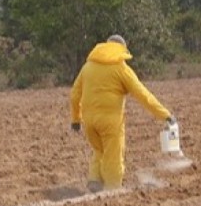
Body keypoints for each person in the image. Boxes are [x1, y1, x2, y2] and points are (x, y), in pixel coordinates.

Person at [69, 34, 175, 192]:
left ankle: (95, 180)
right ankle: (112, 190)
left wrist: (76, 119)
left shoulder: (87, 67)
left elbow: (74, 95)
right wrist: (165, 114)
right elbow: (143, 95)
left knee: (99, 150)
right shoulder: (121, 69)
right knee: (113, 156)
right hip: (111, 122)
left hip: (89, 121)